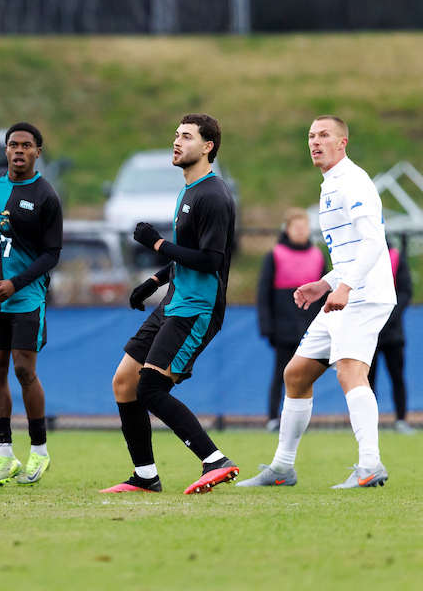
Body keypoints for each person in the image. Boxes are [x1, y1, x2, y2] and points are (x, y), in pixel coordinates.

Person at [239, 116, 395, 490]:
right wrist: (325, 283)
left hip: (364, 295)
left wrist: (344, 288)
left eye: (324, 135)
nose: (315, 142)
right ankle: (282, 468)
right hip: (345, 293)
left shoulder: (352, 181)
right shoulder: (330, 186)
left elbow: (374, 243)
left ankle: (370, 464)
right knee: (296, 373)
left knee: (349, 372)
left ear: (343, 142)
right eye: (311, 136)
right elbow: (350, 252)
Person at [102, 114, 239, 496]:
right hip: (174, 300)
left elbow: (211, 259)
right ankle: (145, 475)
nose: (177, 142)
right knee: (124, 383)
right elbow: (189, 254)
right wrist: (155, 280)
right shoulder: (188, 190)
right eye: (176, 135)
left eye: (187, 137)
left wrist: (156, 243)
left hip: (197, 308)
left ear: (207, 146)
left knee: (150, 389)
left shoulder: (212, 195)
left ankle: (215, 460)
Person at [0, 123, 62, 487]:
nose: (18, 150)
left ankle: (39, 449)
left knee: (23, 369)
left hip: (27, 296)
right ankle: (5, 455)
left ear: (37, 152)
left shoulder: (45, 195)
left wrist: (16, 282)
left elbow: (52, 254)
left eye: (27, 145)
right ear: (5, 149)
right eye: (13, 144)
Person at [256, 208, 325, 430]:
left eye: (304, 227)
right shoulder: (275, 255)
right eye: (297, 227)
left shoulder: (317, 256)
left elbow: (326, 295)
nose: (301, 231)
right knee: (281, 374)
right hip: (282, 329)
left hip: (310, 328)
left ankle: (300, 421)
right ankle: (273, 418)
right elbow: (263, 294)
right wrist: (267, 327)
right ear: (287, 229)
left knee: (307, 377)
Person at [367, 239, 413, 434]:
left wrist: (387, 318)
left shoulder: (394, 256)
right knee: (366, 380)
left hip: (392, 331)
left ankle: (401, 420)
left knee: (397, 376)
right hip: (367, 330)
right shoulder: (360, 256)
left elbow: (405, 292)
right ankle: (368, 424)